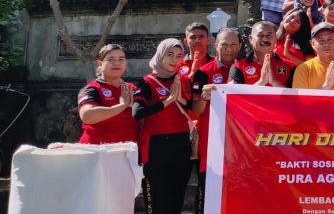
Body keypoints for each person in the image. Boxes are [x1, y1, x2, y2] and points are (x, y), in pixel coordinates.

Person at [133, 38, 193, 214]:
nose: (174, 60)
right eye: (170, 55)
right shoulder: (146, 82)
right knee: (157, 200)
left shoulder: (183, 80)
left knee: (176, 198)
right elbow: (137, 112)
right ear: (160, 55)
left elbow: (193, 108)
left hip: (181, 143)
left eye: (179, 56)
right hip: (156, 146)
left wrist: (180, 98)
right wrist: (167, 101)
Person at [191, 28, 241, 214]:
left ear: (240, 46)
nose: (228, 49)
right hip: (211, 143)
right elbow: (196, 110)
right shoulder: (203, 72)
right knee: (208, 194)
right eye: (224, 44)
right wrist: (205, 98)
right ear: (216, 45)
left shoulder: (243, 69)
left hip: (239, 144)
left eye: (233, 44)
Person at [77, 44, 137, 144]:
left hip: (128, 150)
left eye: (121, 59)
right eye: (111, 59)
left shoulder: (132, 89)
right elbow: (87, 116)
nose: (117, 63)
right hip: (97, 149)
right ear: (100, 64)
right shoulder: (92, 88)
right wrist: (122, 105)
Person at [229, 21, 291, 87]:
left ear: (276, 38)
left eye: (269, 35)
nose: (265, 39)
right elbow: (233, 93)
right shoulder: (238, 67)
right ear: (250, 39)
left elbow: (295, 93)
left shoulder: (290, 66)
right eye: (260, 35)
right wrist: (261, 82)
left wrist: (274, 82)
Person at [292, 22, 334, 90]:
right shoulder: (303, 69)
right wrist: (326, 87)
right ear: (312, 44)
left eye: (330, 39)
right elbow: (300, 97)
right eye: (321, 40)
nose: (326, 44)